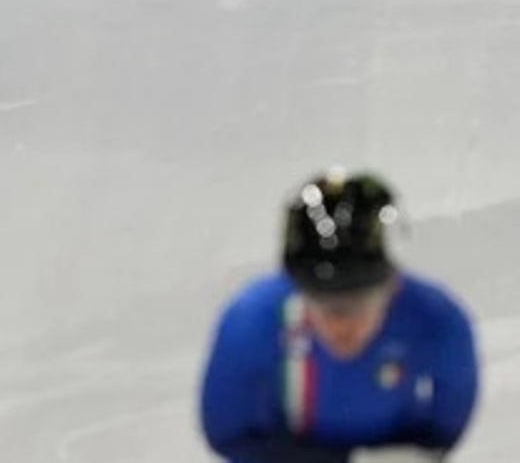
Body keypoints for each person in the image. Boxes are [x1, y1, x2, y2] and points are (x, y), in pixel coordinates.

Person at [198, 169, 479, 462]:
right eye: (322, 303)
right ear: (296, 289)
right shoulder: (251, 319)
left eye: (361, 302)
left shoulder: (437, 319)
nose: (342, 325)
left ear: (393, 285)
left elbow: (446, 427)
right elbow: (226, 433)